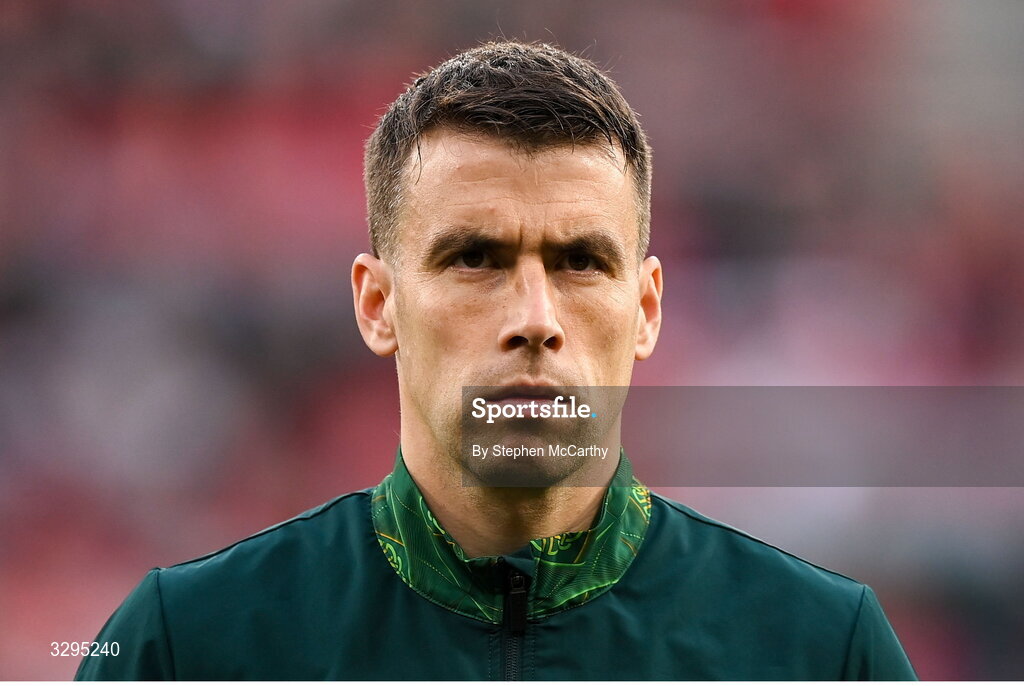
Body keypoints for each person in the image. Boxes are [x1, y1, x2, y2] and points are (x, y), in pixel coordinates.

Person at [77, 40, 916, 680]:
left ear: (647, 310)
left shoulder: (817, 651)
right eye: (475, 258)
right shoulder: (190, 645)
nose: (535, 320)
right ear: (378, 305)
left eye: (581, 261)